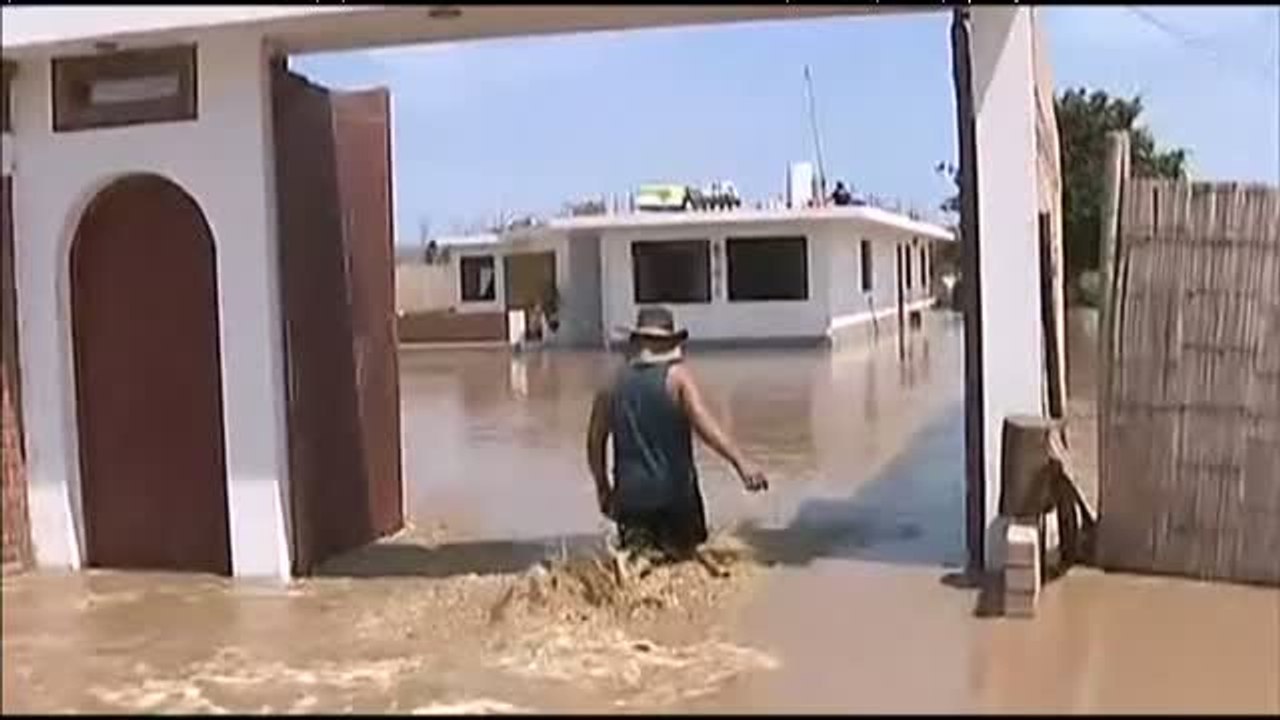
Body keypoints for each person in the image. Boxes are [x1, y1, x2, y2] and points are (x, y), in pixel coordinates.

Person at [586, 307, 769, 561]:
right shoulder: (677, 379)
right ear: (671, 344)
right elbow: (705, 427)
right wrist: (741, 462)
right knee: (686, 565)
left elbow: (595, 442)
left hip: (630, 498)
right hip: (675, 495)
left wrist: (603, 487)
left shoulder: (611, 382)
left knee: (637, 564)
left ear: (636, 342)